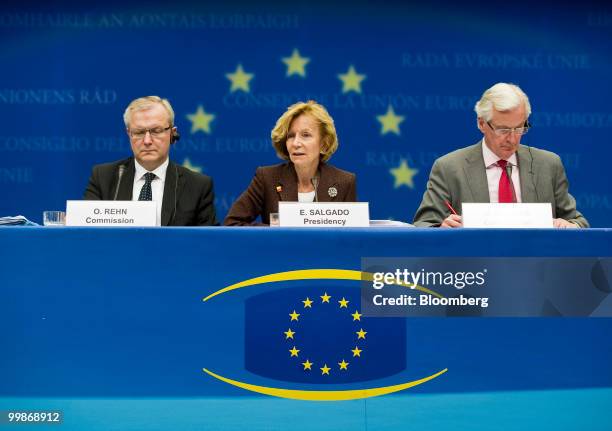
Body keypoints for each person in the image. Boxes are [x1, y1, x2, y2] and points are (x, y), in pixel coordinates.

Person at [413, 83, 588, 228]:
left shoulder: (548, 165)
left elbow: (579, 222)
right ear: (481, 123)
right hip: (472, 267)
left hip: (537, 266)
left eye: (519, 128)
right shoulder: (449, 168)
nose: (512, 138)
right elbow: (423, 225)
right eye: (503, 129)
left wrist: (569, 226)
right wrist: (442, 229)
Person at [83, 96, 218, 226]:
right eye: (139, 132)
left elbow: (208, 242)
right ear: (129, 134)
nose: (147, 141)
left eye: (156, 131)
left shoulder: (197, 186)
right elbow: (86, 232)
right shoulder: (104, 177)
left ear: (172, 133)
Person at [224, 101, 357, 226]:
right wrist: (277, 232)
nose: (295, 143)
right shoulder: (267, 178)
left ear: (324, 144)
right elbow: (233, 223)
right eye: (291, 136)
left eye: (305, 135)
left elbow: (351, 236)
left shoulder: (344, 182)